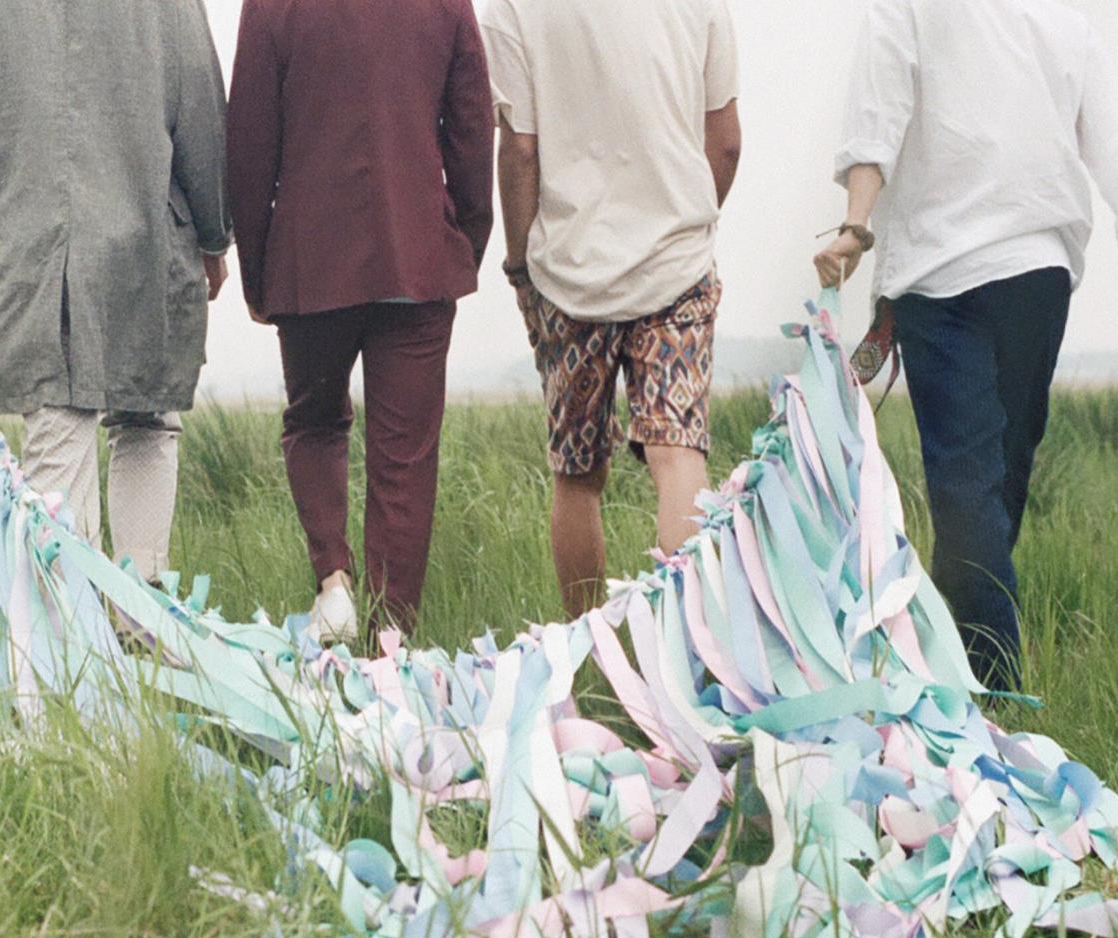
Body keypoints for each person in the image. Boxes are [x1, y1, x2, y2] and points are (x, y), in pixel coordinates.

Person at [814, 0, 1118, 694]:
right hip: (1008, 280)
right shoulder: (1055, 19)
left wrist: (858, 225)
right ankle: (988, 679)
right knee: (986, 487)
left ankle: (973, 676)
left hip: (967, 275)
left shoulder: (1043, 20)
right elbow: (1115, 147)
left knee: (977, 489)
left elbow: (874, 120)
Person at [0, 0, 231, 586]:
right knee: (146, 417)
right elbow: (201, 112)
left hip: (26, 249)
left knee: (57, 420)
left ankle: (77, 625)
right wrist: (214, 234)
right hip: (143, 239)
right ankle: (140, 613)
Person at [226, 0, 494, 641]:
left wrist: (259, 273)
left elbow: (249, 147)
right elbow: (472, 133)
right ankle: (391, 641)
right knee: (405, 459)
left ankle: (334, 581)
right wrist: (461, 242)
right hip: (417, 257)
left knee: (314, 422)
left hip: (310, 261)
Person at [481, 0, 742, 619]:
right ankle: (688, 646)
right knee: (677, 453)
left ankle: (589, 649)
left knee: (577, 473)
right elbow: (726, 142)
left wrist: (520, 266)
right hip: (676, 266)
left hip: (569, 272)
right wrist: (685, 218)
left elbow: (519, 150)